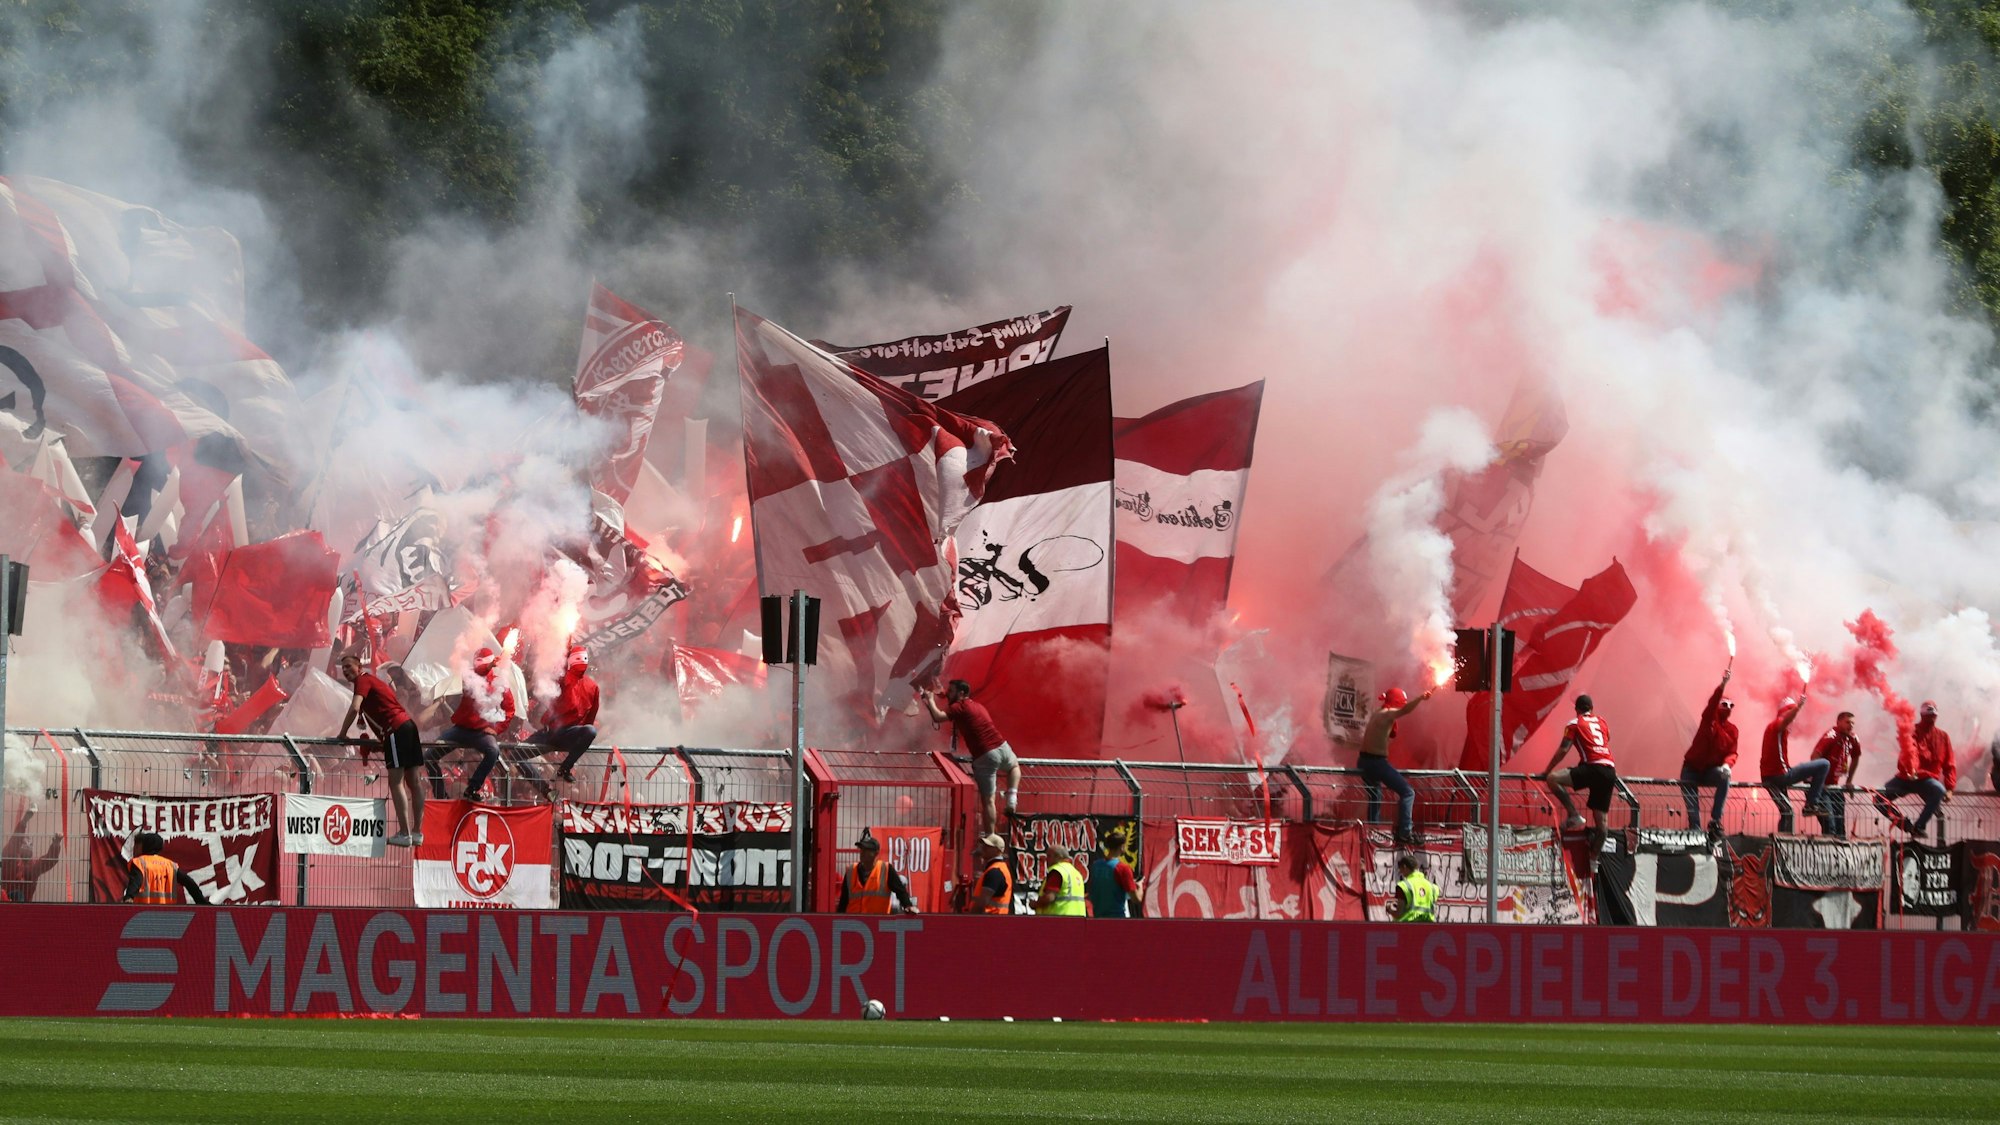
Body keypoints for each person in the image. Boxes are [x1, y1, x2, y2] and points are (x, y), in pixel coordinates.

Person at [337, 653, 425, 847]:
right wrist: (383, 741)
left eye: (349, 666)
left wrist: (342, 734)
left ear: (359, 666)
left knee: (396, 782)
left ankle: (404, 833)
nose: (345, 671)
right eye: (343, 668)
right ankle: (417, 832)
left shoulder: (363, 680)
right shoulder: (374, 682)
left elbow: (354, 708)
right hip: (407, 726)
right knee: (414, 781)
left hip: (395, 729)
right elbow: (383, 709)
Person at [921, 680, 1020, 835]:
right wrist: (935, 696)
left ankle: (990, 837)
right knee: (1014, 766)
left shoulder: (959, 706)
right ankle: (1012, 798)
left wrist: (931, 700)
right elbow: (945, 700)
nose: (949, 694)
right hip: (1002, 746)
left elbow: (938, 717)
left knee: (988, 801)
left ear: (961, 693)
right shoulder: (977, 705)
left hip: (985, 755)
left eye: (952, 691)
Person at [424, 647, 515, 802]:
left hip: (482, 733)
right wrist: (488, 666)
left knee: (493, 751)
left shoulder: (500, 683)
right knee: (429, 756)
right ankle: (440, 794)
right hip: (461, 729)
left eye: (481, 661)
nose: (476, 664)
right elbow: (479, 671)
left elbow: (510, 709)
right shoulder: (469, 675)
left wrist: (497, 729)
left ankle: (472, 788)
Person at [1357, 686, 1435, 846]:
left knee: (1375, 795)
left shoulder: (1377, 713)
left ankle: (1373, 830)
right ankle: (1405, 832)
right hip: (1376, 763)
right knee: (1408, 792)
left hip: (1364, 761)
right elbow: (1405, 710)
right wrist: (1421, 698)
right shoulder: (1387, 714)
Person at [1541, 694, 1617, 843]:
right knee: (1602, 823)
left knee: (1553, 779)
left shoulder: (1574, 724)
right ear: (1592, 709)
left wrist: (1547, 769)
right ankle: (1594, 861)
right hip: (1609, 771)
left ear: (1576, 709)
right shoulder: (1602, 721)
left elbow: (1563, 750)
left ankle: (1573, 814)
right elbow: (1607, 739)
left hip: (1592, 768)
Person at [1876, 700, 1955, 837]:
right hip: (1905, 778)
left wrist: (1949, 788)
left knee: (1938, 790)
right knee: (1878, 799)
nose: (1930, 719)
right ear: (1921, 715)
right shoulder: (1911, 730)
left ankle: (1919, 826)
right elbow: (1908, 752)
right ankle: (1905, 825)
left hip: (1927, 779)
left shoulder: (1943, 737)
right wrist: (1910, 769)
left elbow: (1949, 764)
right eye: (1927, 716)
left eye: (1932, 716)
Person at [1760, 689, 1829, 834]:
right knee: (1824, 764)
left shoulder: (1773, 728)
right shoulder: (1777, 724)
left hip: (1770, 776)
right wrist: (1798, 706)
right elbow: (1786, 720)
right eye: (1790, 711)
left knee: (1787, 811)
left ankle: (1782, 843)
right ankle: (1811, 803)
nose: (1795, 717)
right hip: (1780, 776)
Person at [1680, 669, 1739, 839]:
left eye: (1731, 705)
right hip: (1691, 769)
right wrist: (1722, 685)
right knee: (1692, 806)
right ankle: (1695, 829)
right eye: (1724, 704)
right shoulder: (1709, 719)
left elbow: (1732, 752)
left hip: (1710, 771)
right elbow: (1712, 703)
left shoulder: (1733, 730)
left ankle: (1715, 820)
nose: (1728, 708)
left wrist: (1728, 765)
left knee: (1724, 778)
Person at [529, 645, 600, 784]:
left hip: (562, 735)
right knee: (516, 755)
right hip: (551, 734)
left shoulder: (591, 686)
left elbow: (590, 719)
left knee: (590, 731)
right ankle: (545, 789)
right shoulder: (565, 678)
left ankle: (564, 769)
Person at [836, 829, 918, 914]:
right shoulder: (851, 871)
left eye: (866, 850)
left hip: (877, 923)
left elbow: (900, 891)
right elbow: (843, 901)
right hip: (853, 924)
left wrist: (908, 905)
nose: (862, 852)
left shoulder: (886, 870)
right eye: (861, 849)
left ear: (876, 853)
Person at [1809, 711, 1863, 838]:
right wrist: (1819, 780)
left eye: (1852, 723)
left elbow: (1856, 757)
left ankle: (1840, 854)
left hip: (1834, 787)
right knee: (1830, 826)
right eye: (1847, 722)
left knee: (1840, 828)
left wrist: (1849, 781)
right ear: (1838, 722)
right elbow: (1814, 757)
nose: (1850, 726)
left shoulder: (1853, 738)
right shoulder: (1831, 736)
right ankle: (1828, 854)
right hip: (1820, 787)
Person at [122, 832, 209, 905]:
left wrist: (129, 897)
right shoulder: (170, 865)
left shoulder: (139, 862)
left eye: (137, 846)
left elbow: (136, 881)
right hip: (166, 915)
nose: (134, 849)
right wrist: (201, 902)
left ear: (145, 846)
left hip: (143, 914)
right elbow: (189, 883)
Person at [0, 803, 62, 903]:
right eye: (25, 842)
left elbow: (48, 861)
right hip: (6, 902)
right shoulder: (10, 856)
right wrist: (24, 821)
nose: (29, 844)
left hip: (25, 905)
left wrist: (56, 844)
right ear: (20, 845)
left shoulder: (33, 865)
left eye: (31, 843)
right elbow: (14, 842)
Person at [1087, 828, 1143, 918]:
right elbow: (1136, 899)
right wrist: (1140, 887)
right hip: (1116, 918)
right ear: (1122, 847)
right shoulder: (1123, 868)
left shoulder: (1096, 866)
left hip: (1097, 917)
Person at [1036, 842, 1087, 917]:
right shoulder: (1076, 872)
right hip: (1079, 919)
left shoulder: (1057, 871)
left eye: (1049, 856)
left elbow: (1049, 897)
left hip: (1060, 919)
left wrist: (1035, 904)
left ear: (1058, 857)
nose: (1046, 859)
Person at [971, 833, 1013, 915]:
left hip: (990, 921)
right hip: (995, 921)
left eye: (988, 846)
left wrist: (967, 920)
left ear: (998, 851)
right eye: (984, 845)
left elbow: (982, 903)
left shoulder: (995, 871)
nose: (984, 848)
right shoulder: (998, 868)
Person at [1390, 855, 1438, 922]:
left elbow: (1398, 914)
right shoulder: (1432, 887)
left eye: (1400, 869)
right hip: (1428, 928)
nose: (1400, 872)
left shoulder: (1404, 886)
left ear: (1404, 867)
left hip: (1406, 928)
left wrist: (1389, 909)